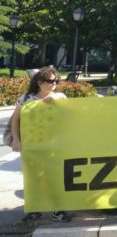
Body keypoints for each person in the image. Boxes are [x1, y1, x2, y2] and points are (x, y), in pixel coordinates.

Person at [11, 67, 72, 223]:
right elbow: (15, 120)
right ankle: (34, 210)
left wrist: (54, 101)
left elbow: (70, 116)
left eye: (56, 80)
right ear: (39, 82)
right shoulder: (26, 98)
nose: (54, 83)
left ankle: (58, 210)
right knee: (33, 178)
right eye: (51, 81)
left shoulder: (60, 97)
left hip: (55, 145)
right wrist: (16, 140)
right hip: (32, 146)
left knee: (55, 177)